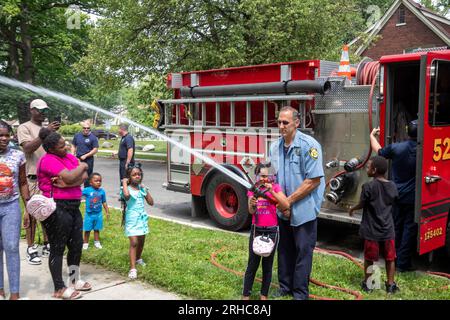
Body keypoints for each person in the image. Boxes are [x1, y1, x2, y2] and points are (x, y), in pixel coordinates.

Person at [269, 106, 325, 300]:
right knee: (284, 250)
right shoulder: (274, 147)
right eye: (279, 122)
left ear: (297, 123)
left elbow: (313, 180)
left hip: (304, 210)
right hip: (283, 209)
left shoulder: (309, 146)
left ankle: (300, 293)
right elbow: (273, 177)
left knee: (303, 253)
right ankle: (284, 287)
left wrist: (288, 202)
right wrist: (279, 201)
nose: (281, 126)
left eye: (285, 122)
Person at [37, 128, 92, 299]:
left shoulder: (66, 156)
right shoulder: (48, 160)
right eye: (61, 147)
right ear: (51, 149)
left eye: (65, 144)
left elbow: (84, 175)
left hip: (74, 205)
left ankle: (74, 280)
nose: (66, 148)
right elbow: (71, 175)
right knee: (58, 247)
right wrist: (80, 167)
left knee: (76, 245)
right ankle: (59, 288)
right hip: (57, 208)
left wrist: (70, 181)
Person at [370, 120, 418, 272]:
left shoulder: (397, 148)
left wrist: (372, 136)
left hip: (396, 194)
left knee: (395, 227)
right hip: (413, 198)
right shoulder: (424, 150)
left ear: (407, 131)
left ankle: (392, 258)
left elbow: (379, 152)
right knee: (409, 229)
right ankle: (403, 263)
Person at [349, 156, 400, 294]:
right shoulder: (392, 186)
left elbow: (362, 204)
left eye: (368, 167)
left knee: (370, 258)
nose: (367, 169)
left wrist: (353, 209)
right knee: (390, 258)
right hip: (388, 229)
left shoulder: (368, 187)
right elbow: (394, 201)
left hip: (371, 230)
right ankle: (390, 285)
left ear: (374, 170)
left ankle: (369, 284)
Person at [17, 98, 59, 264]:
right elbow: (28, 148)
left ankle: (47, 243)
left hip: (48, 178)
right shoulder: (24, 127)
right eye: (40, 110)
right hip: (32, 178)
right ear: (32, 110)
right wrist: (45, 133)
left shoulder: (46, 129)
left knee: (47, 212)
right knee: (32, 213)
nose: (43, 113)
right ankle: (31, 247)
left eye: (45, 110)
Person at [243, 162, 289, 300]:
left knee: (267, 267)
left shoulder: (275, 187)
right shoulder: (253, 189)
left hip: (272, 231)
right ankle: (245, 296)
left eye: (267, 176)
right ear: (256, 176)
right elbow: (251, 211)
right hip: (256, 230)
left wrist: (272, 191)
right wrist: (252, 205)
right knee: (252, 264)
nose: (264, 179)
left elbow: (286, 204)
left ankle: (264, 297)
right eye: (261, 176)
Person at [0, 121, 30, 300]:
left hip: (11, 206)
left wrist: (28, 207)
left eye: (7, 135)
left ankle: (15, 292)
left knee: (11, 247)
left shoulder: (18, 156)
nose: (4, 138)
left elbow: (23, 182)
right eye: (0, 135)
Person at [120, 163, 153, 280]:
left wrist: (145, 189)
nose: (137, 176)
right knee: (134, 242)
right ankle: (133, 268)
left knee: (141, 241)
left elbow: (151, 202)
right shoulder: (125, 189)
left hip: (141, 219)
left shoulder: (141, 189)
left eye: (139, 174)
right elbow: (127, 196)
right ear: (129, 177)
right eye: (134, 175)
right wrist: (124, 183)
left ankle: (138, 258)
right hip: (132, 219)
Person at [82, 173, 109, 250]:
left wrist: (107, 211)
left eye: (100, 181)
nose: (98, 182)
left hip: (98, 214)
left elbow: (104, 202)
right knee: (87, 229)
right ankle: (85, 243)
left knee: (97, 229)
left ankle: (96, 242)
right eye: (96, 181)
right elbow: (78, 194)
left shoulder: (102, 191)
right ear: (90, 182)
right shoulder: (87, 190)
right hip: (89, 214)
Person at [71, 121, 99, 187]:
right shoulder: (77, 135)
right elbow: (73, 145)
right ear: (82, 128)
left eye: (88, 128)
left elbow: (95, 149)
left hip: (88, 160)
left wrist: (86, 155)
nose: (86, 129)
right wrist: (72, 154)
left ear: (90, 128)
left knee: (87, 177)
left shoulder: (93, 137)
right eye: (84, 128)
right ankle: (77, 191)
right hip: (78, 159)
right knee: (77, 175)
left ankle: (86, 192)